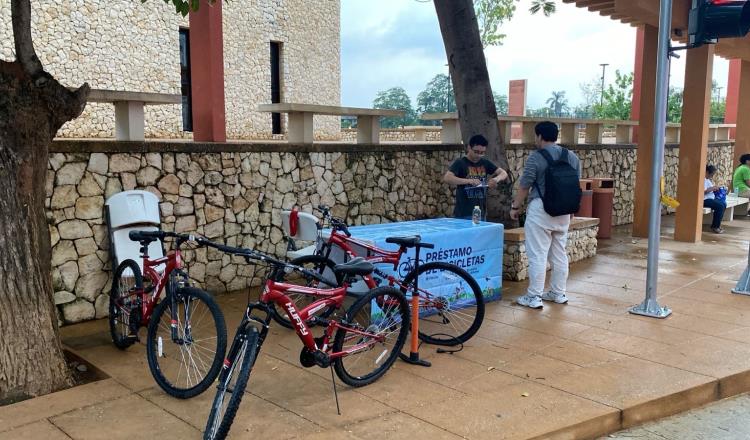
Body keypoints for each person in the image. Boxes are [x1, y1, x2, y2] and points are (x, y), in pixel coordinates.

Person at [510, 121, 580, 309]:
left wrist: (515, 207)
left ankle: (534, 296)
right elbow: (575, 185)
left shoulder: (536, 157)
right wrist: (571, 209)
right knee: (559, 253)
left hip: (541, 209)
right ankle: (558, 293)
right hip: (564, 210)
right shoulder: (571, 156)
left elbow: (525, 185)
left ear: (539, 136)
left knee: (538, 255)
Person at [443, 134, 508, 219]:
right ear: (469, 148)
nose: (478, 155)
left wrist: (496, 179)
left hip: (480, 211)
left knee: (480, 231)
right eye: (476, 152)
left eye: (482, 153)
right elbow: (447, 178)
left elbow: (503, 173)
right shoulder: (461, 163)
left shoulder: (485, 163)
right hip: (464, 212)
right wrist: (469, 181)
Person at [703, 164, 726, 234]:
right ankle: (715, 227)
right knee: (720, 206)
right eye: (711, 174)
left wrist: (716, 188)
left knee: (723, 204)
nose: (712, 176)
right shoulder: (702, 179)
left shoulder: (707, 180)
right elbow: (703, 191)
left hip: (710, 198)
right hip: (704, 200)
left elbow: (710, 189)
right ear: (707, 172)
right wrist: (712, 188)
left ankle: (717, 225)